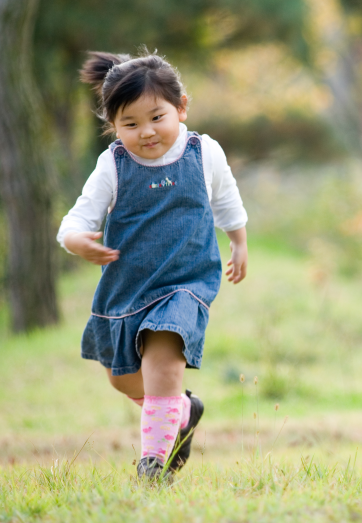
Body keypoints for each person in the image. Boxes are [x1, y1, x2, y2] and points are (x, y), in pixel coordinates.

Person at [58, 51, 248, 482]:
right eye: (130, 123)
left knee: (164, 362)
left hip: (185, 284)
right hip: (127, 289)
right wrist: (75, 240)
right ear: (113, 126)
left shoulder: (203, 152)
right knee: (124, 379)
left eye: (157, 117)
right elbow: (80, 216)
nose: (146, 132)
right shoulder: (113, 165)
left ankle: (153, 464)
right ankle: (180, 410)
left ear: (181, 107)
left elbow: (226, 198)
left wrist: (238, 241)